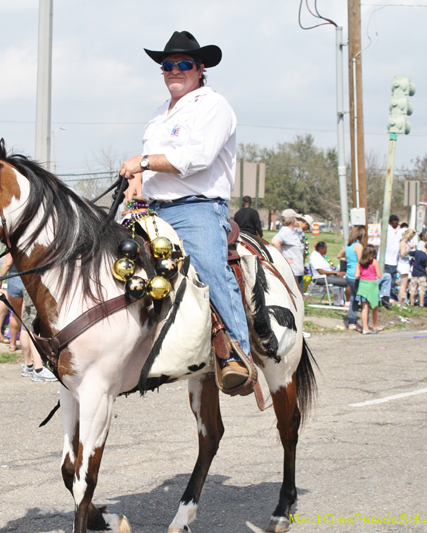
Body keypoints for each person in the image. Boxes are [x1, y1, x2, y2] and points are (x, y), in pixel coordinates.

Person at [119, 30, 251, 392]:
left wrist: (141, 161)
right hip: (153, 208)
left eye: (183, 64)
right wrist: (136, 184)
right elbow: (147, 170)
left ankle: (236, 352)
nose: (174, 70)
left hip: (198, 208)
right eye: (167, 65)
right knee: (116, 261)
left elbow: (197, 158)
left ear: (200, 68)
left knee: (209, 268)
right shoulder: (159, 114)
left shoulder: (214, 106)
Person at [338, 225, 366, 330]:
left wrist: (348, 260)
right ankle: (365, 324)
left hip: (349, 275)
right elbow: (361, 261)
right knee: (364, 300)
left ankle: (351, 322)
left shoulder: (348, 246)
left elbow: (339, 256)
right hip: (357, 276)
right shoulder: (358, 246)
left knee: (354, 299)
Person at [272, 209, 306, 290]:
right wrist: (282, 259)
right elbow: (275, 241)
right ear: (292, 220)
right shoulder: (285, 231)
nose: (296, 220)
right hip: (292, 272)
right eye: (295, 218)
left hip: (298, 271)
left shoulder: (293, 232)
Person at [355, 244, 382, 335]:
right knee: (375, 306)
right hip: (372, 286)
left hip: (363, 285)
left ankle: (365, 327)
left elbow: (356, 275)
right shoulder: (375, 262)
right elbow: (379, 275)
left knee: (365, 307)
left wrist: (364, 274)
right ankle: (375, 326)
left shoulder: (359, 263)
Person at [383, 215, 402, 300]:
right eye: (396, 222)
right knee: (390, 281)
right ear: (393, 221)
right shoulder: (387, 230)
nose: (397, 224)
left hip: (393, 261)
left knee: (392, 280)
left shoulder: (393, 231)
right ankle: (390, 298)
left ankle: (390, 298)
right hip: (388, 261)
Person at [397, 228, 416, 307]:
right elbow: (402, 254)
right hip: (403, 264)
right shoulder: (403, 242)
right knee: (403, 285)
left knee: (404, 284)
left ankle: (401, 302)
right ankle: (400, 302)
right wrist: (409, 248)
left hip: (406, 264)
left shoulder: (406, 242)